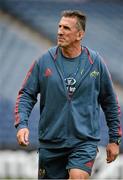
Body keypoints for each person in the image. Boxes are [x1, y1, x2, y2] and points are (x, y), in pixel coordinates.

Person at [14, 10, 122, 179]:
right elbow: (26, 95)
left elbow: (110, 102)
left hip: (84, 143)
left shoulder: (95, 62)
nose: (60, 31)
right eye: (59, 27)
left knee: (78, 176)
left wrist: (114, 139)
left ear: (80, 34)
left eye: (66, 28)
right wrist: (22, 125)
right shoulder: (44, 61)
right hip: (50, 145)